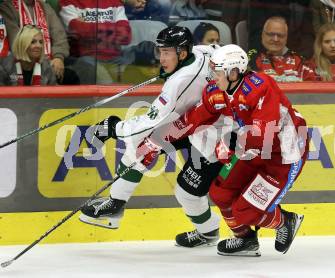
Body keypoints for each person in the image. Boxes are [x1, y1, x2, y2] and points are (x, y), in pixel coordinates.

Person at [79, 26, 231, 248]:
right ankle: (115, 205)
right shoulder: (201, 52)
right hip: (190, 121)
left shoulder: (178, 82)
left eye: (167, 52)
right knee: (142, 147)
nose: (161, 58)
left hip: (215, 135)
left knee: (185, 193)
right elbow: (219, 50)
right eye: (160, 51)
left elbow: (149, 121)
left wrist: (113, 128)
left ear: (181, 53)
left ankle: (208, 232)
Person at [166, 44, 309, 256]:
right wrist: (163, 137)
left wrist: (229, 143)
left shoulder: (261, 88)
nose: (213, 77)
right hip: (252, 151)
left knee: (244, 213)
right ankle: (245, 240)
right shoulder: (219, 91)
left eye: (218, 71)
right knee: (220, 193)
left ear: (234, 72)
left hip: (283, 155)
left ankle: (285, 221)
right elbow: (197, 116)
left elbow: (262, 134)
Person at [59, 0, 132, 84]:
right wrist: (113, 28)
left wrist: (86, 26)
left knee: (135, 77)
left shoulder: (115, 2)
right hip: (85, 59)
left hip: (115, 58)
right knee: (103, 81)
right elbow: (77, 32)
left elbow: (125, 36)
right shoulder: (68, 2)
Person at [0, 0, 71, 84]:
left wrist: (58, 57)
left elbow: (60, 36)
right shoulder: (7, 7)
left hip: (52, 61)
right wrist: (44, 61)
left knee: (73, 74)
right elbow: (17, 42)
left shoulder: (46, 7)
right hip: (22, 62)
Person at [248, 16, 304, 82]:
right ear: (263, 35)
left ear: (286, 37)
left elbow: (311, 86)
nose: (275, 39)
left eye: (280, 35)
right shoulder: (252, 56)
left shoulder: (297, 59)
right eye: (271, 34)